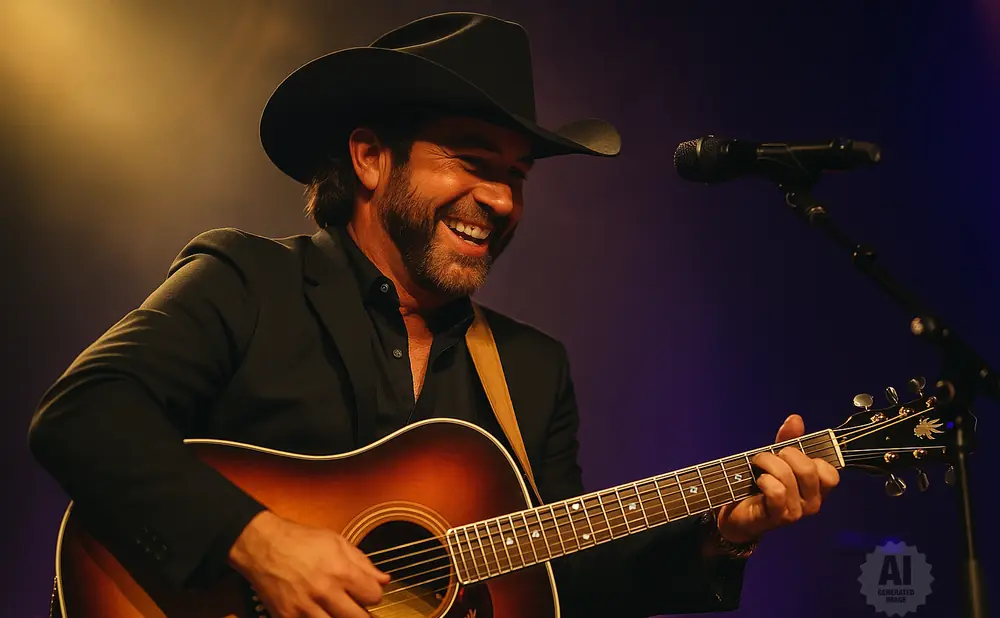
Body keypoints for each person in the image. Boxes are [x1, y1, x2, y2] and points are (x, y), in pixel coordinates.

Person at [28, 11, 839, 618]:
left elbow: (563, 585)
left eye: (517, 175)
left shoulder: (530, 367)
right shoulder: (248, 282)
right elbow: (82, 416)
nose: (500, 199)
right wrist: (258, 541)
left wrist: (721, 533)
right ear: (370, 159)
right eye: (471, 161)